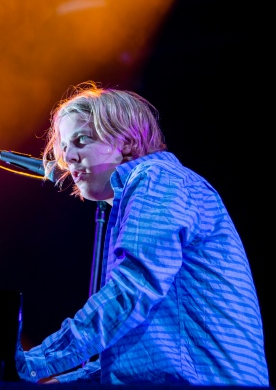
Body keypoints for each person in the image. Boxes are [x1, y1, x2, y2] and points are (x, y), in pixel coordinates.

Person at [16, 80, 269, 386]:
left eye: (81, 140)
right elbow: (139, 357)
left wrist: (33, 364)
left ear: (124, 140)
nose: (67, 158)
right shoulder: (154, 187)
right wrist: (61, 382)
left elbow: (131, 292)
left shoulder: (155, 177)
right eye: (64, 147)